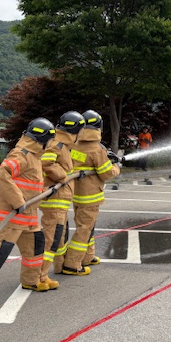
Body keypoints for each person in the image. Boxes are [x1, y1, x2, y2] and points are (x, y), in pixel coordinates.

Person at [0, 117, 56, 313]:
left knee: (35, 249)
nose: (51, 144)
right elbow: (2, 175)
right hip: (11, 218)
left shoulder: (35, 157)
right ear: (42, 139)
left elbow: (29, 185)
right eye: (50, 140)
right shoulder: (21, 155)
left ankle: (31, 280)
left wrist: (45, 192)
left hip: (29, 217)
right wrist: (18, 201)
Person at [61, 109, 120, 275]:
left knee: (86, 225)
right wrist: (115, 166)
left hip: (76, 194)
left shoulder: (74, 144)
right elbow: (106, 173)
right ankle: (72, 264)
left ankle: (88, 256)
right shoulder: (97, 149)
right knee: (85, 228)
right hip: (91, 195)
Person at [38, 111, 85, 290]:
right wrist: (63, 176)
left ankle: (57, 267)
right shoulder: (56, 145)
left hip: (60, 202)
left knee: (60, 238)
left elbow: (65, 164)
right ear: (75, 130)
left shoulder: (64, 146)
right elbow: (45, 163)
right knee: (51, 239)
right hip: (54, 201)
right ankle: (39, 277)